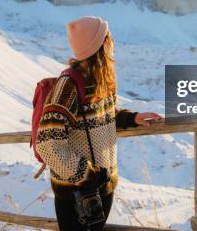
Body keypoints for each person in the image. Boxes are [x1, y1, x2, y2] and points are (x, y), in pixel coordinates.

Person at [36, 16, 162, 231]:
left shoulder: (100, 79)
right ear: (99, 44)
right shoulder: (69, 85)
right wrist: (87, 175)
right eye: (107, 37)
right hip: (77, 191)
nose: (111, 41)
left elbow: (103, 115)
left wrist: (131, 118)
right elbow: (47, 142)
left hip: (102, 186)